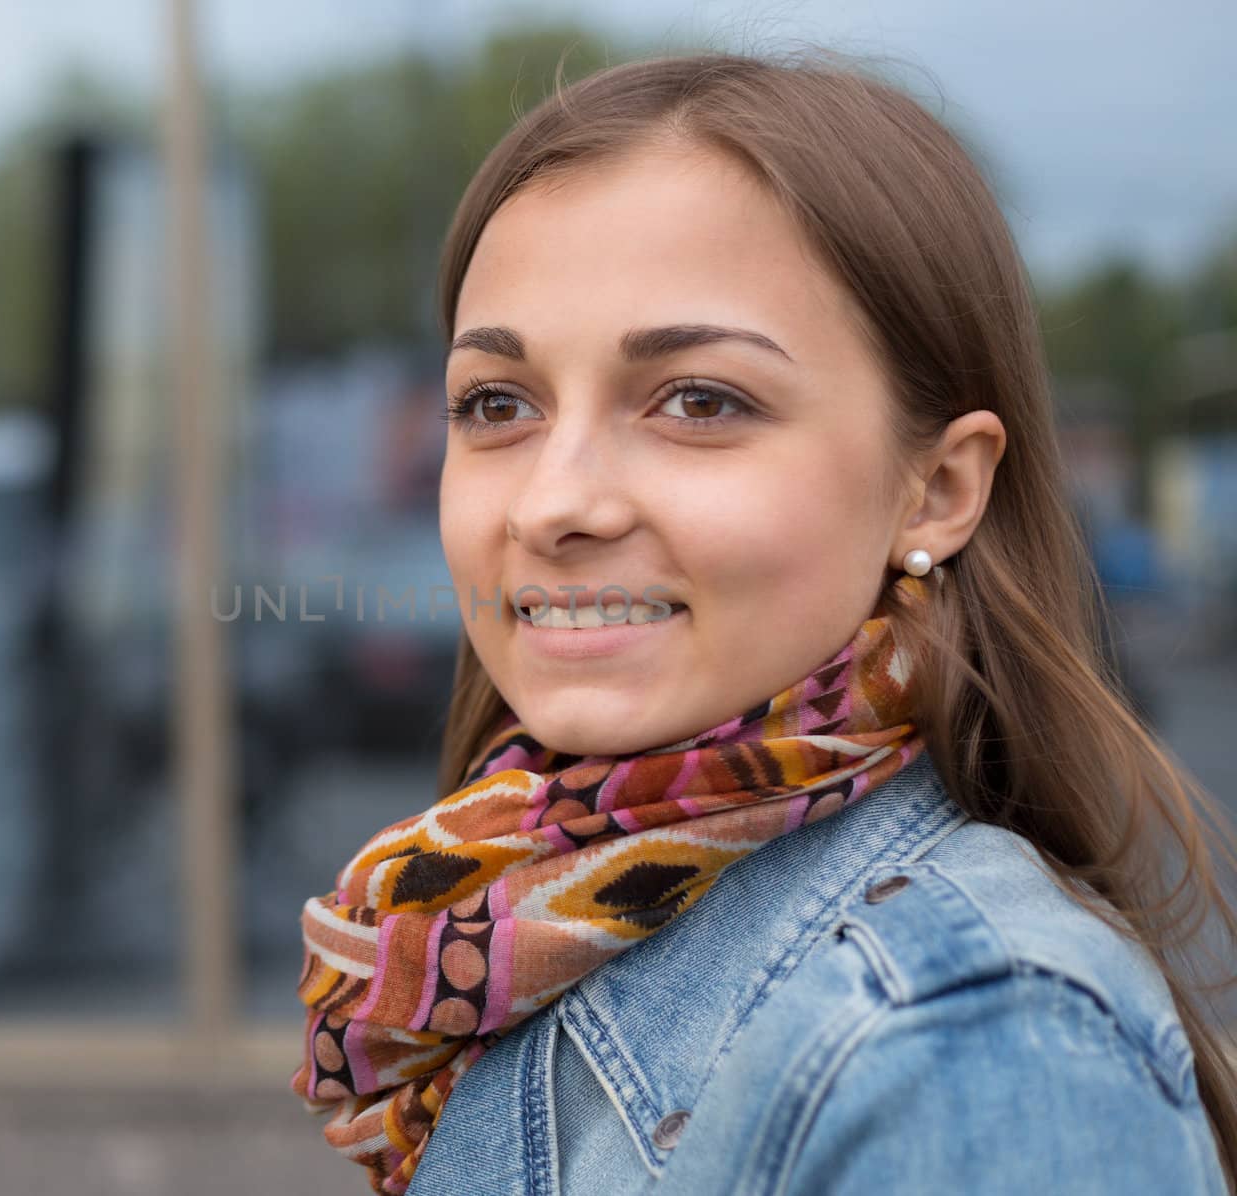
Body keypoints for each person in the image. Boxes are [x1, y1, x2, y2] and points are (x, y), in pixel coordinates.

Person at [290, 49, 1237, 1194]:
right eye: (498, 404)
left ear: (935, 488)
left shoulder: (964, 1042)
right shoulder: (513, 900)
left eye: (698, 399)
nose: (553, 503)